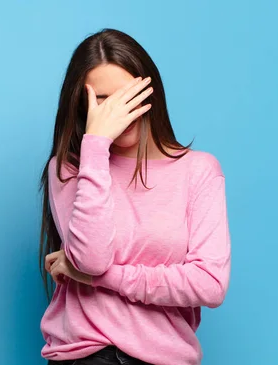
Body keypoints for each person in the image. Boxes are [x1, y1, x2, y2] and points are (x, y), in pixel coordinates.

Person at [39, 28, 231, 365]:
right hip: (86, 354)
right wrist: (96, 146)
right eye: (102, 99)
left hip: (167, 357)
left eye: (128, 96)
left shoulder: (198, 170)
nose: (117, 111)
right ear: (82, 105)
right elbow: (91, 258)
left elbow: (210, 284)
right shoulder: (69, 169)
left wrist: (104, 278)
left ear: (150, 94)